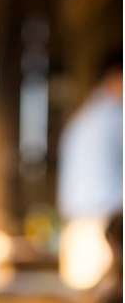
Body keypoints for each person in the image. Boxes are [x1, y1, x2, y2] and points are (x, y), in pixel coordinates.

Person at [58, 52, 123, 289]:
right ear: (116, 76)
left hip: (77, 229)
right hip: (106, 231)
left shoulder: (82, 119)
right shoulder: (116, 117)